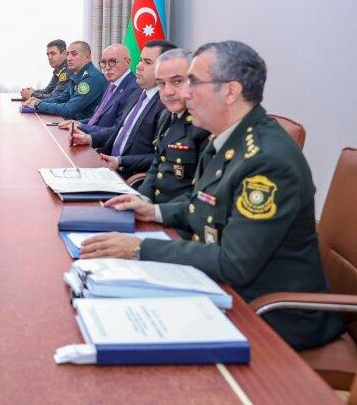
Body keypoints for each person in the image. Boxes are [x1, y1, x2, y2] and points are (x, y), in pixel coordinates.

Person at [80, 41, 345, 351]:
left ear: (230, 92)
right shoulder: (227, 140)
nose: (184, 92)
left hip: (270, 313)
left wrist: (139, 247)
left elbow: (234, 263)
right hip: (225, 290)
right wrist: (154, 212)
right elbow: (207, 206)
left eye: (193, 82)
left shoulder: (266, 160)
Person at [70, 40, 175, 178]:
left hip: (129, 175)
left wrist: (120, 161)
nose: (138, 66)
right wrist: (89, 139)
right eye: (140, 60)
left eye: (148, 62)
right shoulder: (138, 93)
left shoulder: (165, 105)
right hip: (108, 163)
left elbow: (160, 157)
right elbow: (119, 130)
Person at [137, 48, 210, 203]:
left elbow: (204, 192)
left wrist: (155, 211)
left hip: (181, 213)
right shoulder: (167, 114)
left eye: (177, 81)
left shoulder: (206, 123)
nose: (167, 92)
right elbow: (157, 165)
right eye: (161, 84)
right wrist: (142, 198)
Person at [58, 42, 138, 133]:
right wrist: (77, 123)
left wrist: (82, 127)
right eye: (104, 62)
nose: (107, 67)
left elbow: (117, 131)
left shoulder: (133, 89)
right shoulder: (112, 84)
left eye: (112, 61)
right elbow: (97, 119)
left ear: (128, 62)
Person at [26, 41, 106, 120]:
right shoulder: (77, 75)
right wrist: (40, 101)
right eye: (67, 54)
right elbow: (61, 99)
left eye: (74, 54)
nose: (69, 58)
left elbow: (69, 110)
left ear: (87, 57)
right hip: (74, 123)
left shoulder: (91, 78)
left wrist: (38, 104)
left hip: (85, 126)